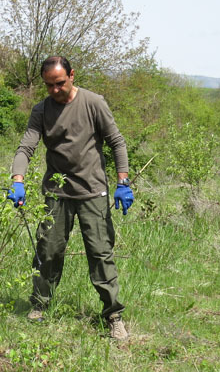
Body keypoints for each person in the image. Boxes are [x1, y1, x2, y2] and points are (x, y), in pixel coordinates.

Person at [7, 56, 134, 341]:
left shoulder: (93, 102)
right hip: (56, 192)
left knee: (100, 254)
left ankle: (113, 315)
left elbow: (116, 140)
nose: (54, 90)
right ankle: (40, 305)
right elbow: (26, 146)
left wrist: (123, 181)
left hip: (92, 191)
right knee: (48, 251)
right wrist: (18, 180)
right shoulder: (41, 110)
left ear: (72, 75)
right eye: (49, 85)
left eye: (60, 83)